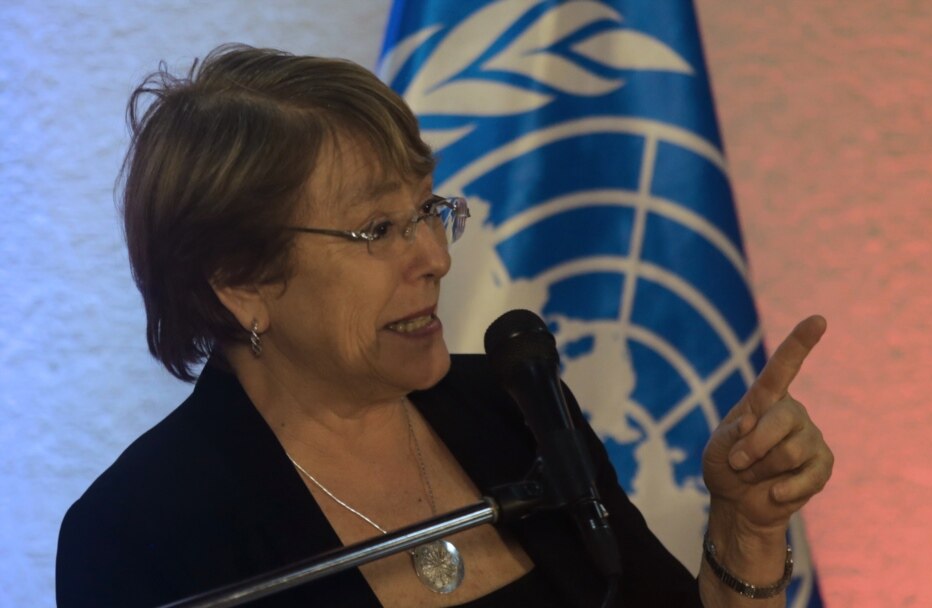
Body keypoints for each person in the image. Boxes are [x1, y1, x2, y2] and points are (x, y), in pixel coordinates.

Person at [56, 44, 833, 608]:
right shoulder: (141, 533)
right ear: (241, 283)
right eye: (376, 229)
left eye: (428, 209)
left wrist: (746, 528)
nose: (434, 255)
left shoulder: (512, 405)